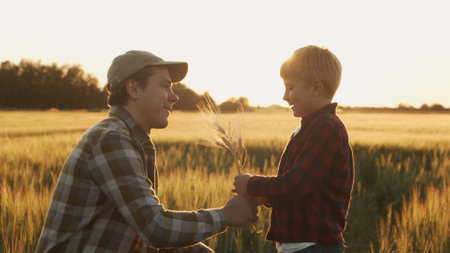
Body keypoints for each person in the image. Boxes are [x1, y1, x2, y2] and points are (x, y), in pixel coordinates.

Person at [36, 50, 257, 253]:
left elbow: (138, 236)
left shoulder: (130, 139)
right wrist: (225, 215)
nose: (174, 97)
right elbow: (154, 227)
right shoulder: (112, 139)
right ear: (133, 89)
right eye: (164, 86)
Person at [234, 45, 354, 253]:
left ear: (316, 88)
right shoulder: (311, 127)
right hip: (304, 245)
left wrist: (252, 183)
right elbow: (307, 186)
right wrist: (268, 197)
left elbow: (295, 185)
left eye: (290, 87)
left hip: (313, 246)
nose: (284, 96)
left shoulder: (326, 127)